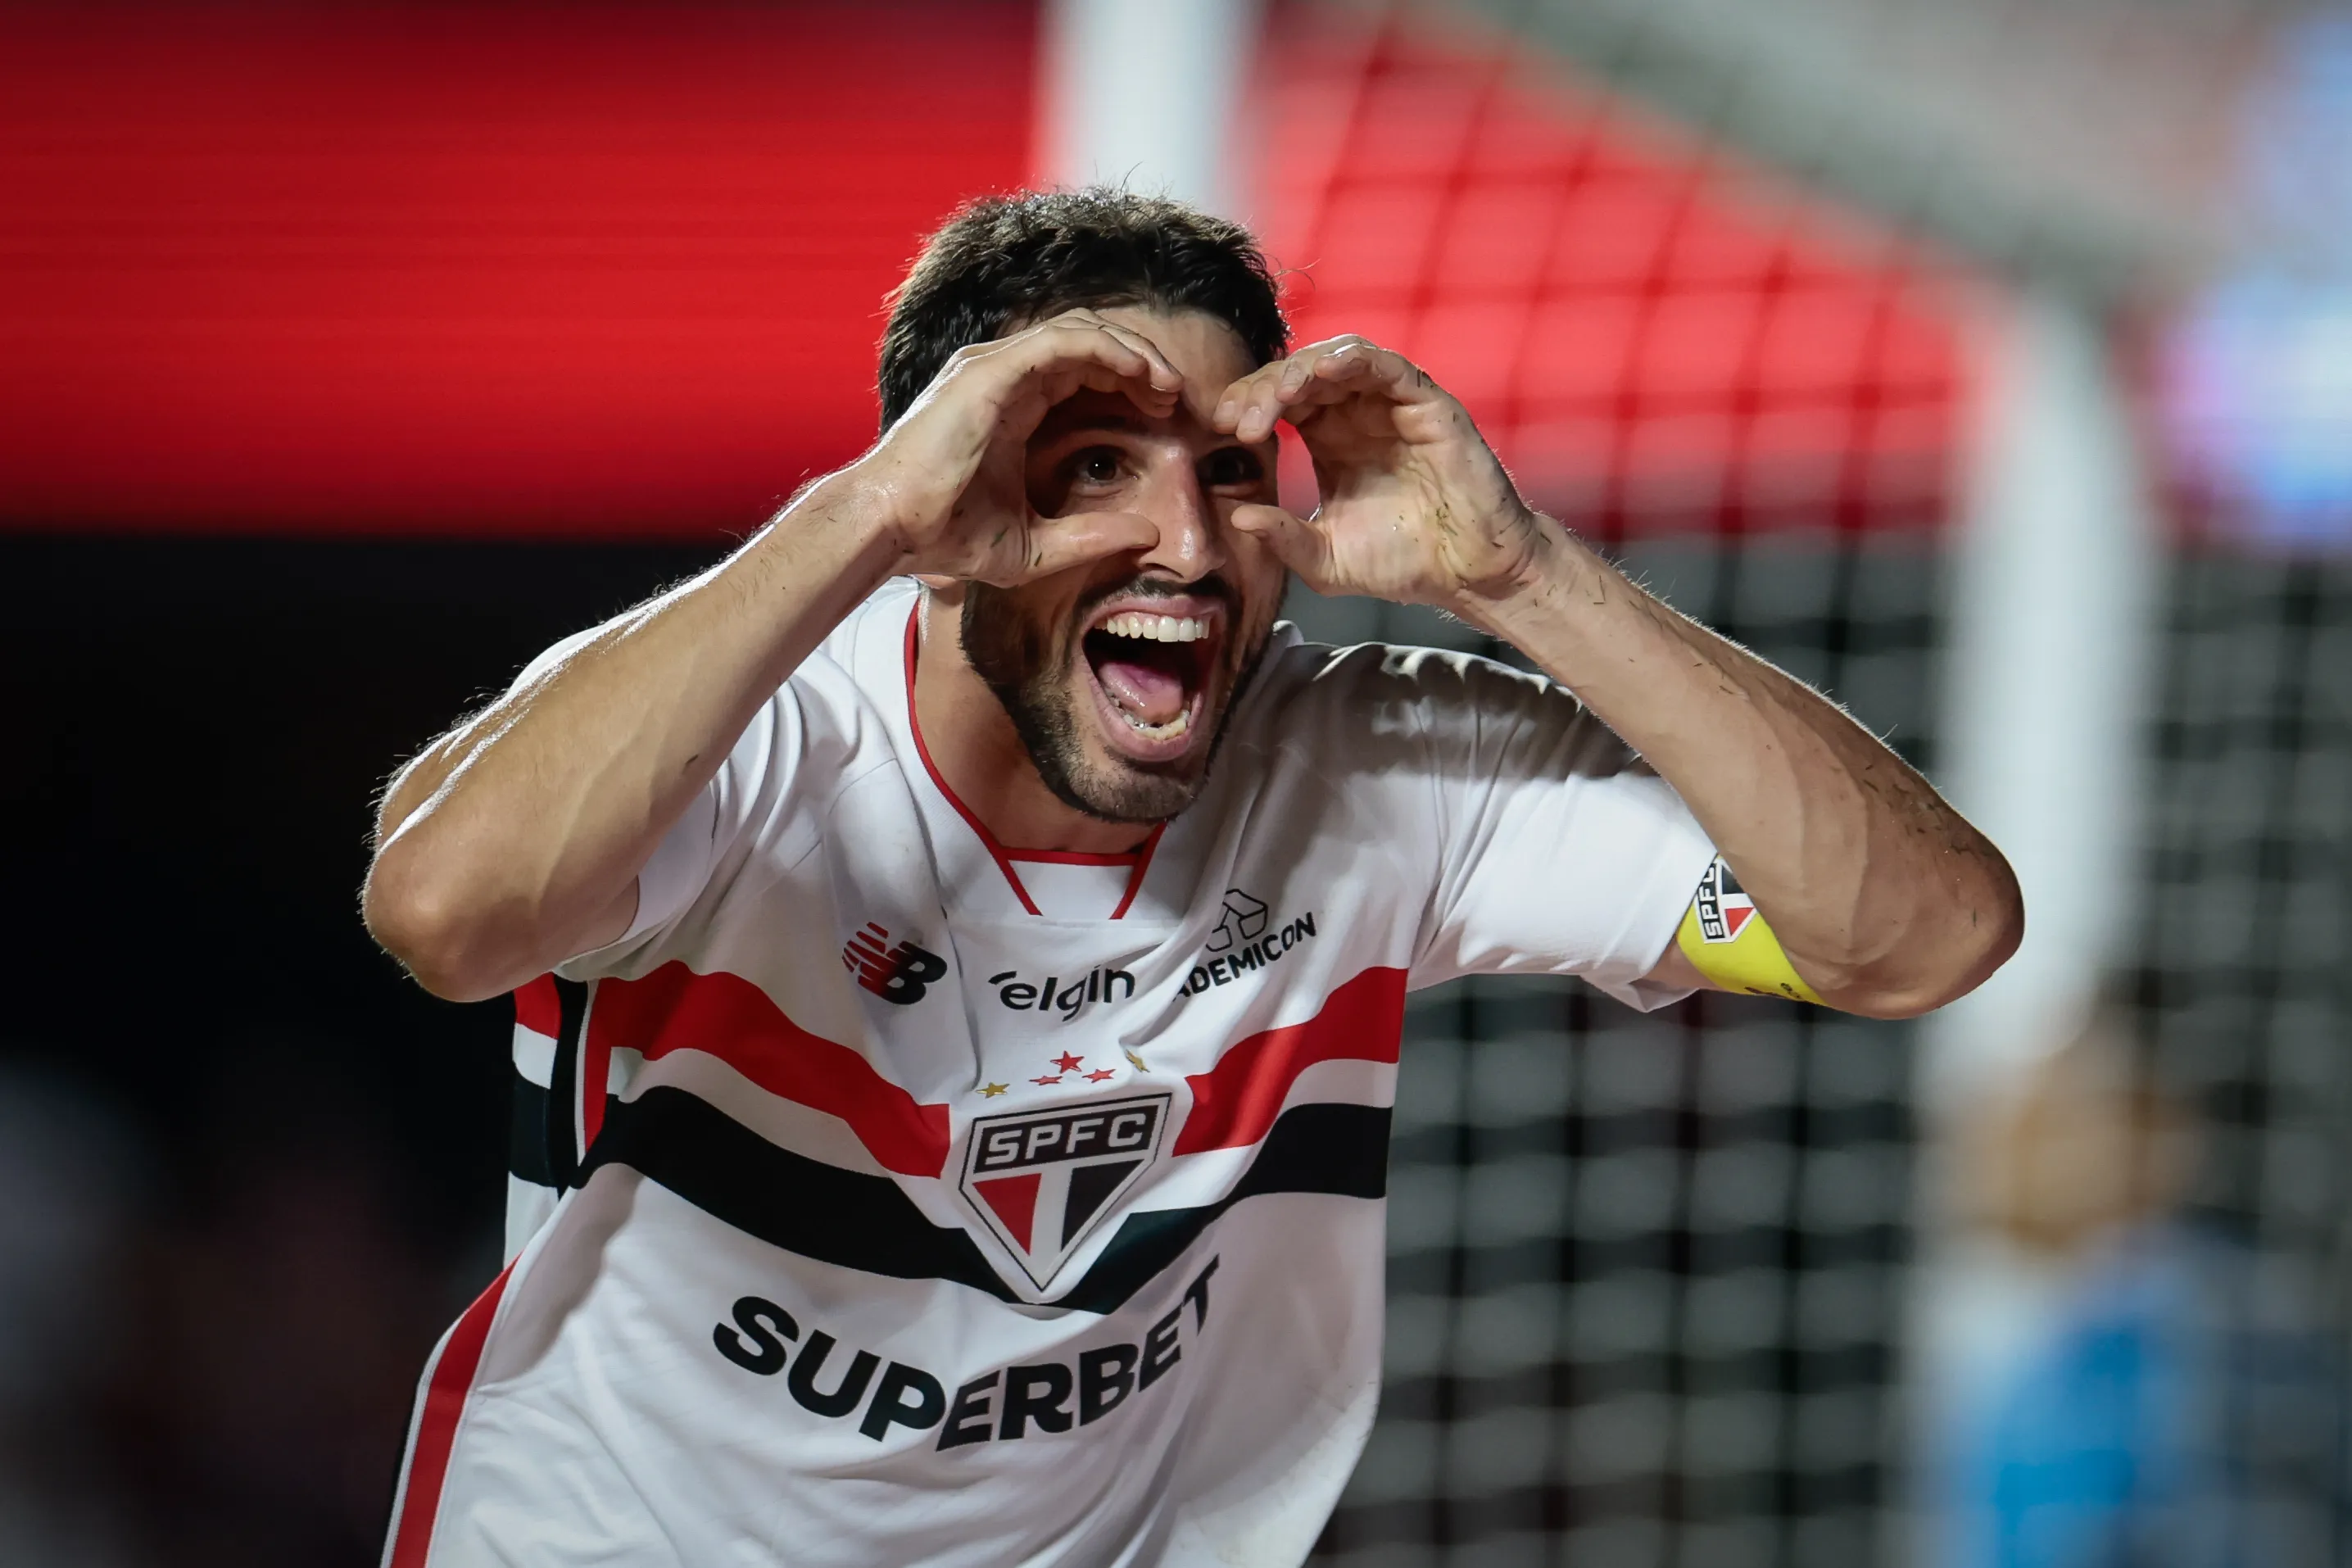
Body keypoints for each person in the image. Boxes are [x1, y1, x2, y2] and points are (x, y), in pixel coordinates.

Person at [362, 188, 2021, 1567]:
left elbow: (1918, 939)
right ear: (949, 506)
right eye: (1090, 467)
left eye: (1228, 471)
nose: (1185, 541)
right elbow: (445, 916)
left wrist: (1525, 574)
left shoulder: (1376, 765)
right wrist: (863, 509)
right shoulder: (758, 733)